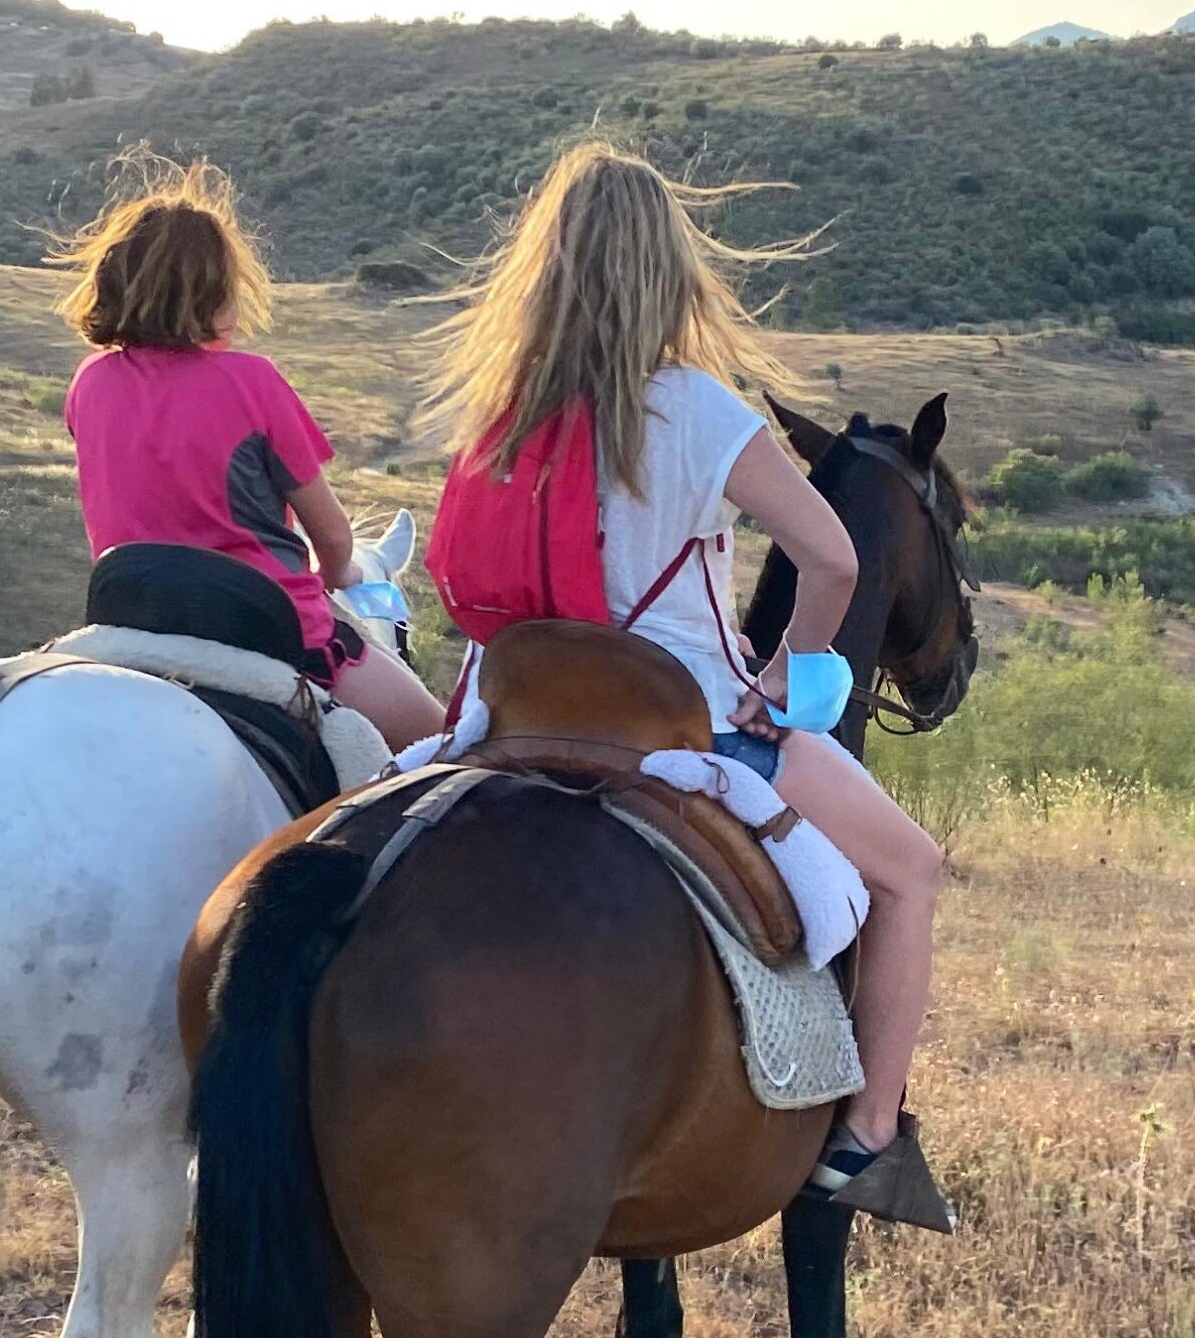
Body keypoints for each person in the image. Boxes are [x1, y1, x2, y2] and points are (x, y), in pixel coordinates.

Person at [431, 143, 949, 1223]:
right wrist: (779, 676)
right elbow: (834, 560)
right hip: (678, 726)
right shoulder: (699, 410)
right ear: (674, 269)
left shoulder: (502, 407)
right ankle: (862, 1143)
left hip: (505, 713)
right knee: (909, 870)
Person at [58, 158, 446, 749]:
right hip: (262, 623)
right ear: (216, 293)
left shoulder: (90, 381)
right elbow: (336, 541)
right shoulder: (252, 381)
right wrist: (340, 576)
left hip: (130, 613)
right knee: (438, 742)